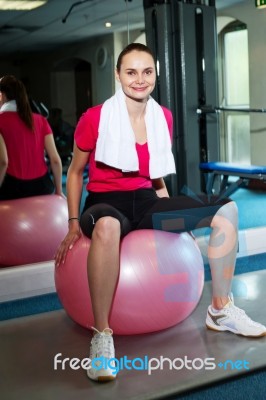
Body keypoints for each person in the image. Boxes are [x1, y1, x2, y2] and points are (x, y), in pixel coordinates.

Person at [55, 43, 266, 382]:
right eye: (131, 72)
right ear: (118, 75)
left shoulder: (162, 116)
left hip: (147, 201)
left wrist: (175, 221)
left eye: (147, 71)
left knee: (227, 209)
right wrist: (73, 222)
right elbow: (76, 172)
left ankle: (221, 309)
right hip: (104, 203)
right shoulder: (94, 118)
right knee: (108, 227)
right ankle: (102, 336)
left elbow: (156, 174)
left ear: (156, 74)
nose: (140, 79)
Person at [0, 75, 64, 200]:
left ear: (1, 95)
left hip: (13, 188)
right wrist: (59, 191)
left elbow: (3, 162)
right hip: (41, 185)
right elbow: (55, 159)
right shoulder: (41, 120)